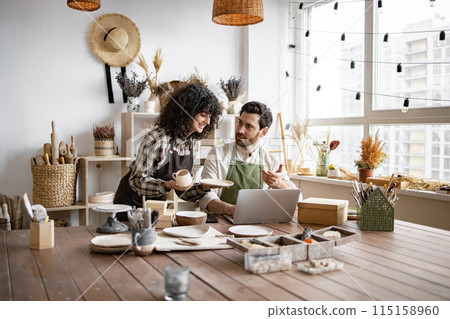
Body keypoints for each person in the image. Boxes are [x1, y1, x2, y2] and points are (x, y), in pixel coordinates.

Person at [114, 83, 223, 207]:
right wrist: (165, 185)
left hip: (155, 206)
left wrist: (203, 187)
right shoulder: (158, 138)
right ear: (186, 112)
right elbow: (136, 181)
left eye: (210, 117)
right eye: (203, 115)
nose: (208, 122)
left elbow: (182, 192)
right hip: (130, 204)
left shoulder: (190, 142)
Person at [199, 101, 297, 216]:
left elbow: (297, 199)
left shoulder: (272, 162)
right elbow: (205, 195)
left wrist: (279, 184)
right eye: (240, 123)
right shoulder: (217, 154)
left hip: (258, 224)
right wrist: (229, 209)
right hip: (222, 222)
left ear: (263, 132)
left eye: (248, 126)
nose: (240, 130)